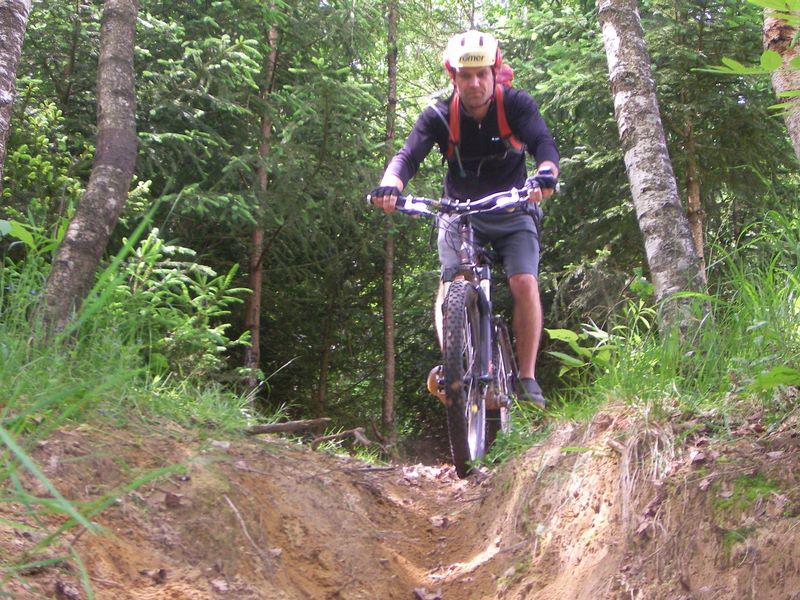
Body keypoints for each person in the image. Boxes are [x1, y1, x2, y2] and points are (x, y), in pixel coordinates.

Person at [369, 30, 559, 408]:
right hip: (460, 213)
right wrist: (390, 184)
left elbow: (543, 143)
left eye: (482, 74)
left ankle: (526, 379)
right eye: (465, 76)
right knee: (452, 283)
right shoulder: (439, 116)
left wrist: (545, 175)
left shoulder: (516, 105)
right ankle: (456, 368)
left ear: (494, 73)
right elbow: (407, 156)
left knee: (523, 282)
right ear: (453, 77)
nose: (474, 83)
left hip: (512, 209)